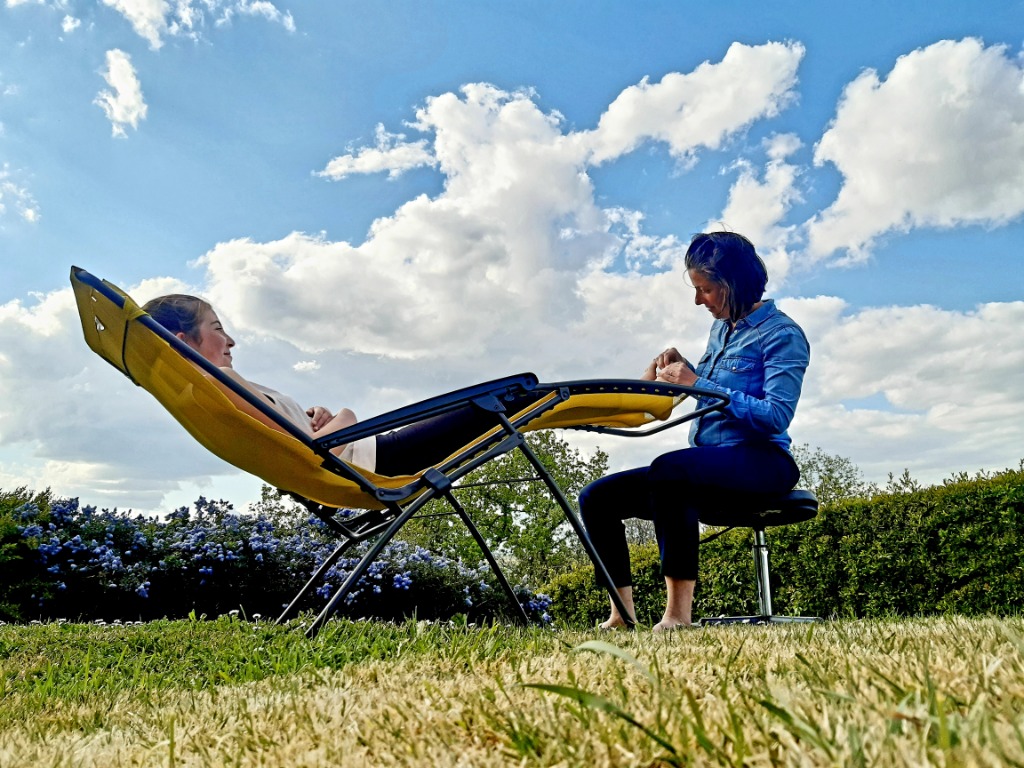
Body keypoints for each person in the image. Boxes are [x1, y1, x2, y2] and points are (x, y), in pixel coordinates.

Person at [579, 231, 810, 631]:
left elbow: (776, 415)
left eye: (705, 289)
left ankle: (678, 617)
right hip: (709, 466)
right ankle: (622, 615)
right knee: (597, 497)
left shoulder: (782, 335)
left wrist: (698, 383)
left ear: (732, 285)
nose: (698, 300)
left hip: (764, 462)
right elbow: (709, 389)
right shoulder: (722, 329)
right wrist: (679, 372)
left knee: (672, 470)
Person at [141, 294, 538, 477]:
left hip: (369, 456)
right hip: (383, 460)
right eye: (217, 329)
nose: (230, 341)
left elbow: (289, 435)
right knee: (515, 397)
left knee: (509, 400)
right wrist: (345, 416)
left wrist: (312, 415)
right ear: (181, 339)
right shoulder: (221, 383)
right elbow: (312, 450)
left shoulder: (204, 392)